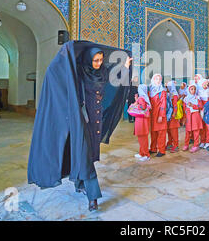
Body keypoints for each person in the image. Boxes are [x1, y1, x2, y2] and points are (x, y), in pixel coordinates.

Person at [28, 41, 132, 212]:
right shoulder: (78, 74)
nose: (98, 64)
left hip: (95, 121)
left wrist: (125, 68)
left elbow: (113, 84)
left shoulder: (101, 73)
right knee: (86, 157)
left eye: (100, 60)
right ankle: (93, 196)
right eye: (95, 60)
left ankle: (79, 183)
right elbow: (55, 71)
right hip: (80, 120)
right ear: (87, 59)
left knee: (86, 154)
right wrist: (65, 51)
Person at [149, 74, 168, 157]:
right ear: (153, 80)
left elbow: (163, 104)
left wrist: (161, 115)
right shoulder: (150, 90)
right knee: (153, 132)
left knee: (161, 133)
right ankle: (153, 148)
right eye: (156, 79)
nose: (158, 80)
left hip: (160, 115)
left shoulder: (162, 91)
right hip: (152, 115)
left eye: (160, 79)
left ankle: (162, 150)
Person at [182, 83, 204, 153]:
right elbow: (184, 109)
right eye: (191, 89)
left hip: (195, 116)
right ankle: (186, 144)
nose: (193, 91)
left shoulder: (197, 98)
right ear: (188, 90)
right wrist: (184, 118)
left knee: (196, 131)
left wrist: (193, 105)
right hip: (188, 116)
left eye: (194, 89)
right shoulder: (185, 99)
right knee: (188, 131)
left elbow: (200, 107)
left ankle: (196, 145)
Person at [133, 84, 151, 162]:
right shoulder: (144, 97)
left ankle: (146, 155)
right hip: (142, 120)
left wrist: (136, 104)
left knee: (142, 138)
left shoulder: (141, 98)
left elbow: (142, 107)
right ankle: (142, 153)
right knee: (142, 138)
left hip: (141, 121)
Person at [198, 78, 209, 149]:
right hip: (201, 110)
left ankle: (208, 141)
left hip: (208, 111)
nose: (206, 85)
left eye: (207, 84)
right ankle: (203, 141)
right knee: (202, 127)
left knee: (208, 126)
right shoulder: (198, 92)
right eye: (204, 84)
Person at [166, 80, 180, 153]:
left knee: (174, 131)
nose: (167, 88)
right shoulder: (169, 94)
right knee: (169, 130)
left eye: (168, 87)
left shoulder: (174, 94)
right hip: (169, 115)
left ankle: (176, 145)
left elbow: (175, 105)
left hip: (173, 116)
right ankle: (170, 143)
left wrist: (174, 113)